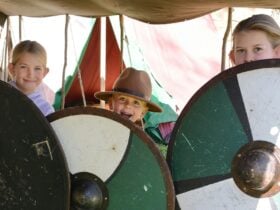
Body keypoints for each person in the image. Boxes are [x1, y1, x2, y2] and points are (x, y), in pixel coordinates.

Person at [94, 67, 171, 154]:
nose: (128, 106)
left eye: (136, 103)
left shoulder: (141, 144)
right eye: (122, 99)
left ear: (143, 113)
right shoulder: (97, 130)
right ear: (111, 103)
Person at [8, 40, 55, 116]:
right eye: (23, 67)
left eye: (37, 68)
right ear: (12, 69)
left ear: (44, 73)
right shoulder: (3, 95)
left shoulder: (45, 110)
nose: (30, 74)